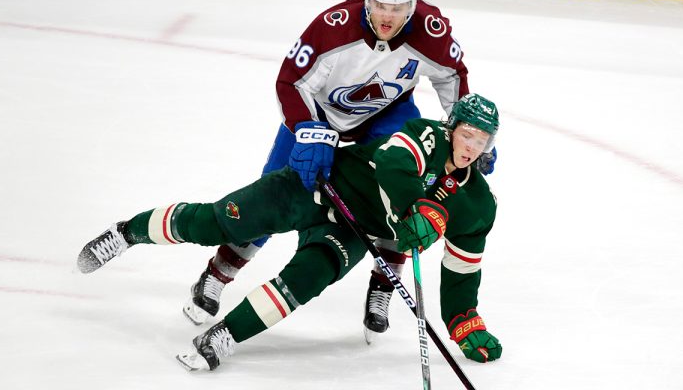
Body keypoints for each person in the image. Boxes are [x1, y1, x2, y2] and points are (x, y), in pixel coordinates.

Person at [182, 0, 498, 340]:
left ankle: (384, 283)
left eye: (397, 7)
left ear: (411, 5)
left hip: (385, 114)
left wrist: (463, 134)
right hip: (320, 116)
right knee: (273, 191)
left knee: (404, 191)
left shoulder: (432, 32)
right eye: (380, 4)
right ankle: (220, 271)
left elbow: (452, 78)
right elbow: (290, 81)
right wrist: (307, 129)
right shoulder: (332, 26)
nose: (387, 15)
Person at [77, 94, 503, 371]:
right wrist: (419, 209)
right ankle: (127, 233)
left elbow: (462, 267)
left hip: (354, 230)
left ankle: (225, 334)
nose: (470, 147)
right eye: (466, 134)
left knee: (308, 278)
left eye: (481, 141)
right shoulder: (425, 134)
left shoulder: (478, 204)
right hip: (316, 188)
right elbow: (394, 165)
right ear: (452, 129)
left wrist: (464, 321)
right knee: (217, 222)